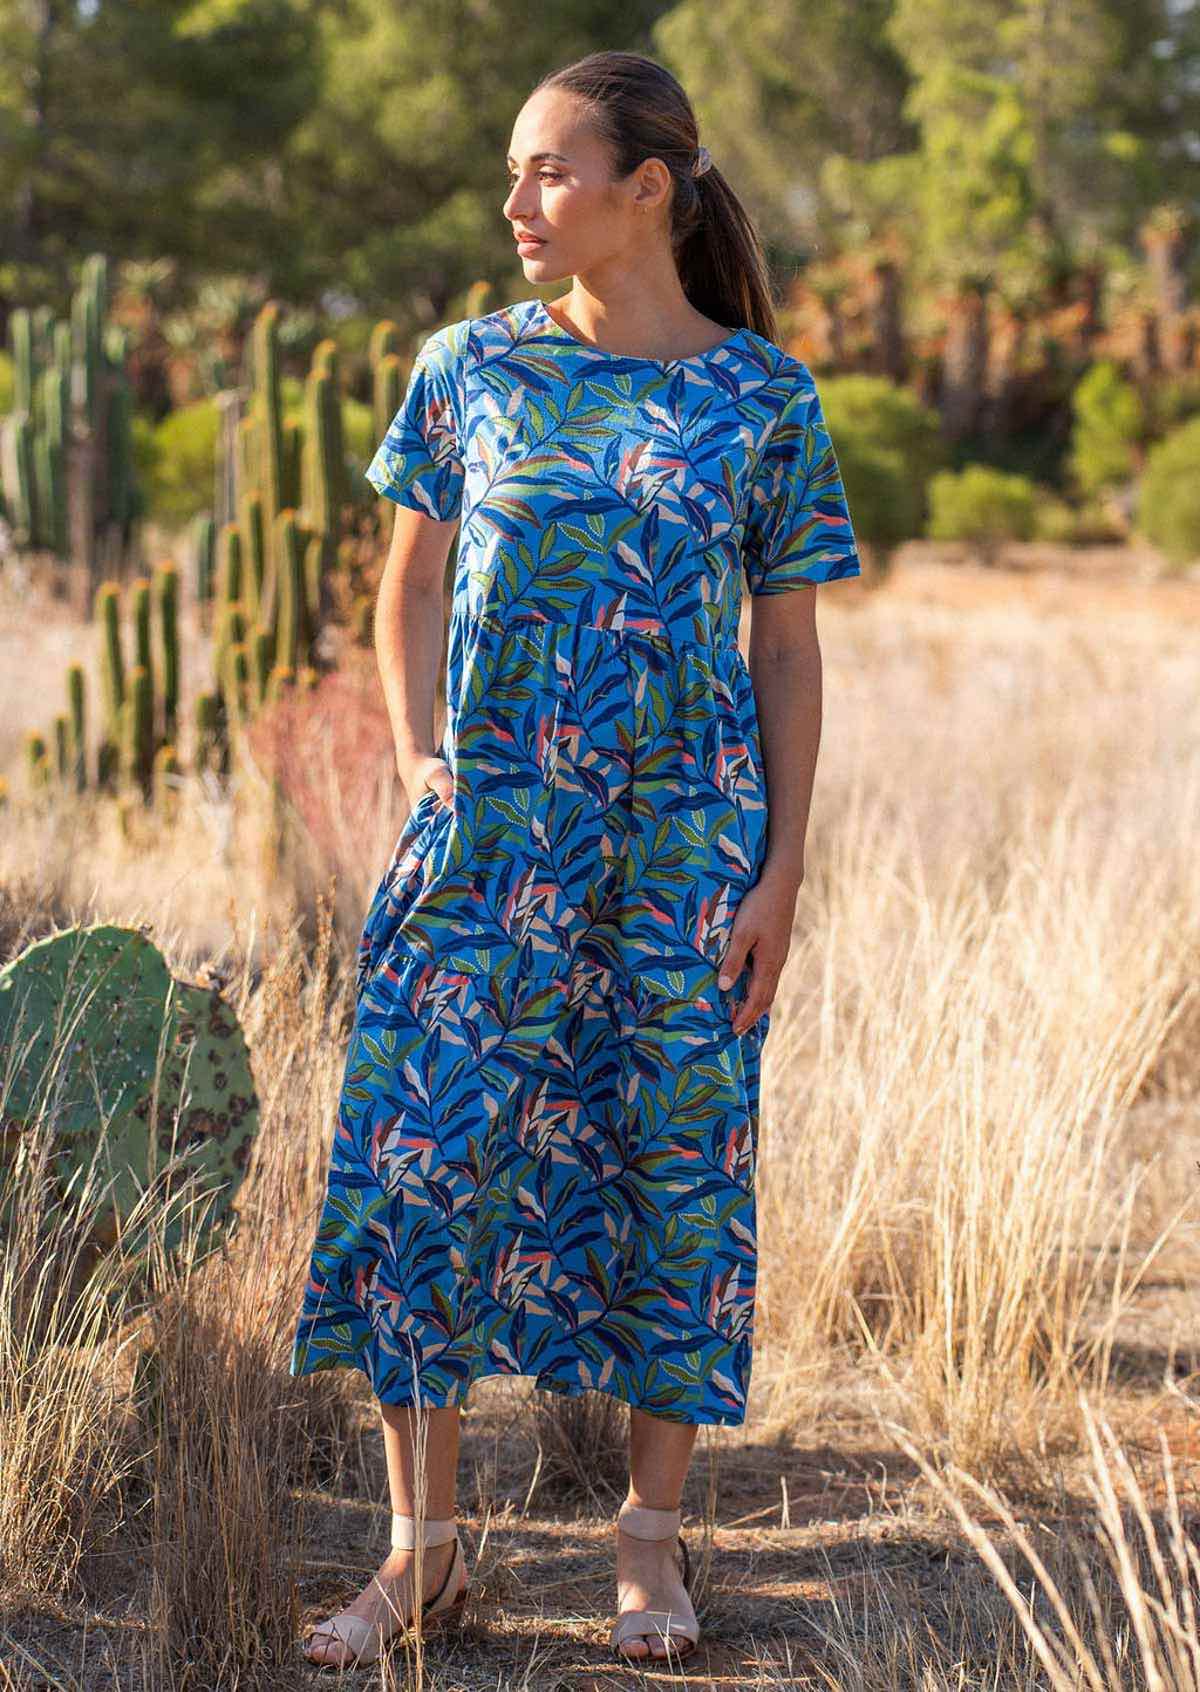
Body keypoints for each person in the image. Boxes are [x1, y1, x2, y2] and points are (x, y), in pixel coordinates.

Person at [291, 46, 862, 1672]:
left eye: (552, 171)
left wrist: (783, 872)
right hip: (483, 843)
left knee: (676, 1179)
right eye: (514, 172)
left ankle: (648, 1549)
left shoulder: (763, 397)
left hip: (684, 856)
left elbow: (790, 652)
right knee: (422, 1165)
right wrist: (419, 763)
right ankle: (424, 1556)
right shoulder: (470, 367)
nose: (517, 202)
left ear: (648, 191)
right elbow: (405, 584)